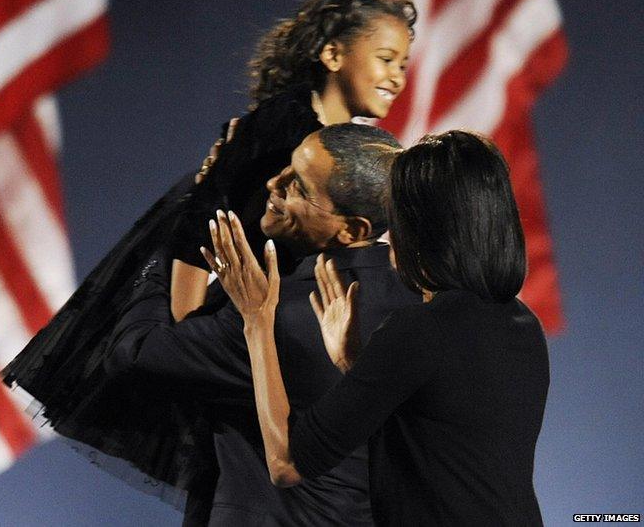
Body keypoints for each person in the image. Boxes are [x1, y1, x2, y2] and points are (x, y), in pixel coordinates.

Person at [1, 0, 416, 502]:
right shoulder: (286, 121)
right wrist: (183, 327)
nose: (399, 74)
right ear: (332, 53)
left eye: (403, 61)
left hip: (267, 325)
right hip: (228, 313)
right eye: (386, 58)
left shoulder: (336, 147)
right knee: (229, 466)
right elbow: (203, 219)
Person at [212, 130, 549, 525]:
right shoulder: (524, 326)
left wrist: (256, 318)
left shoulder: (420, 331)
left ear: (424, 232)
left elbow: (286, 463)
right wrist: (356, 364)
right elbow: (440, 429)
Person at [101, 124, 421, 524]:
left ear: (352, 228)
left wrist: (162, 253)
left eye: (299, 188)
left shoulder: (273, 313)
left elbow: (134, 353)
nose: (274, 182)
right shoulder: (420, 304)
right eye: (287, 168)